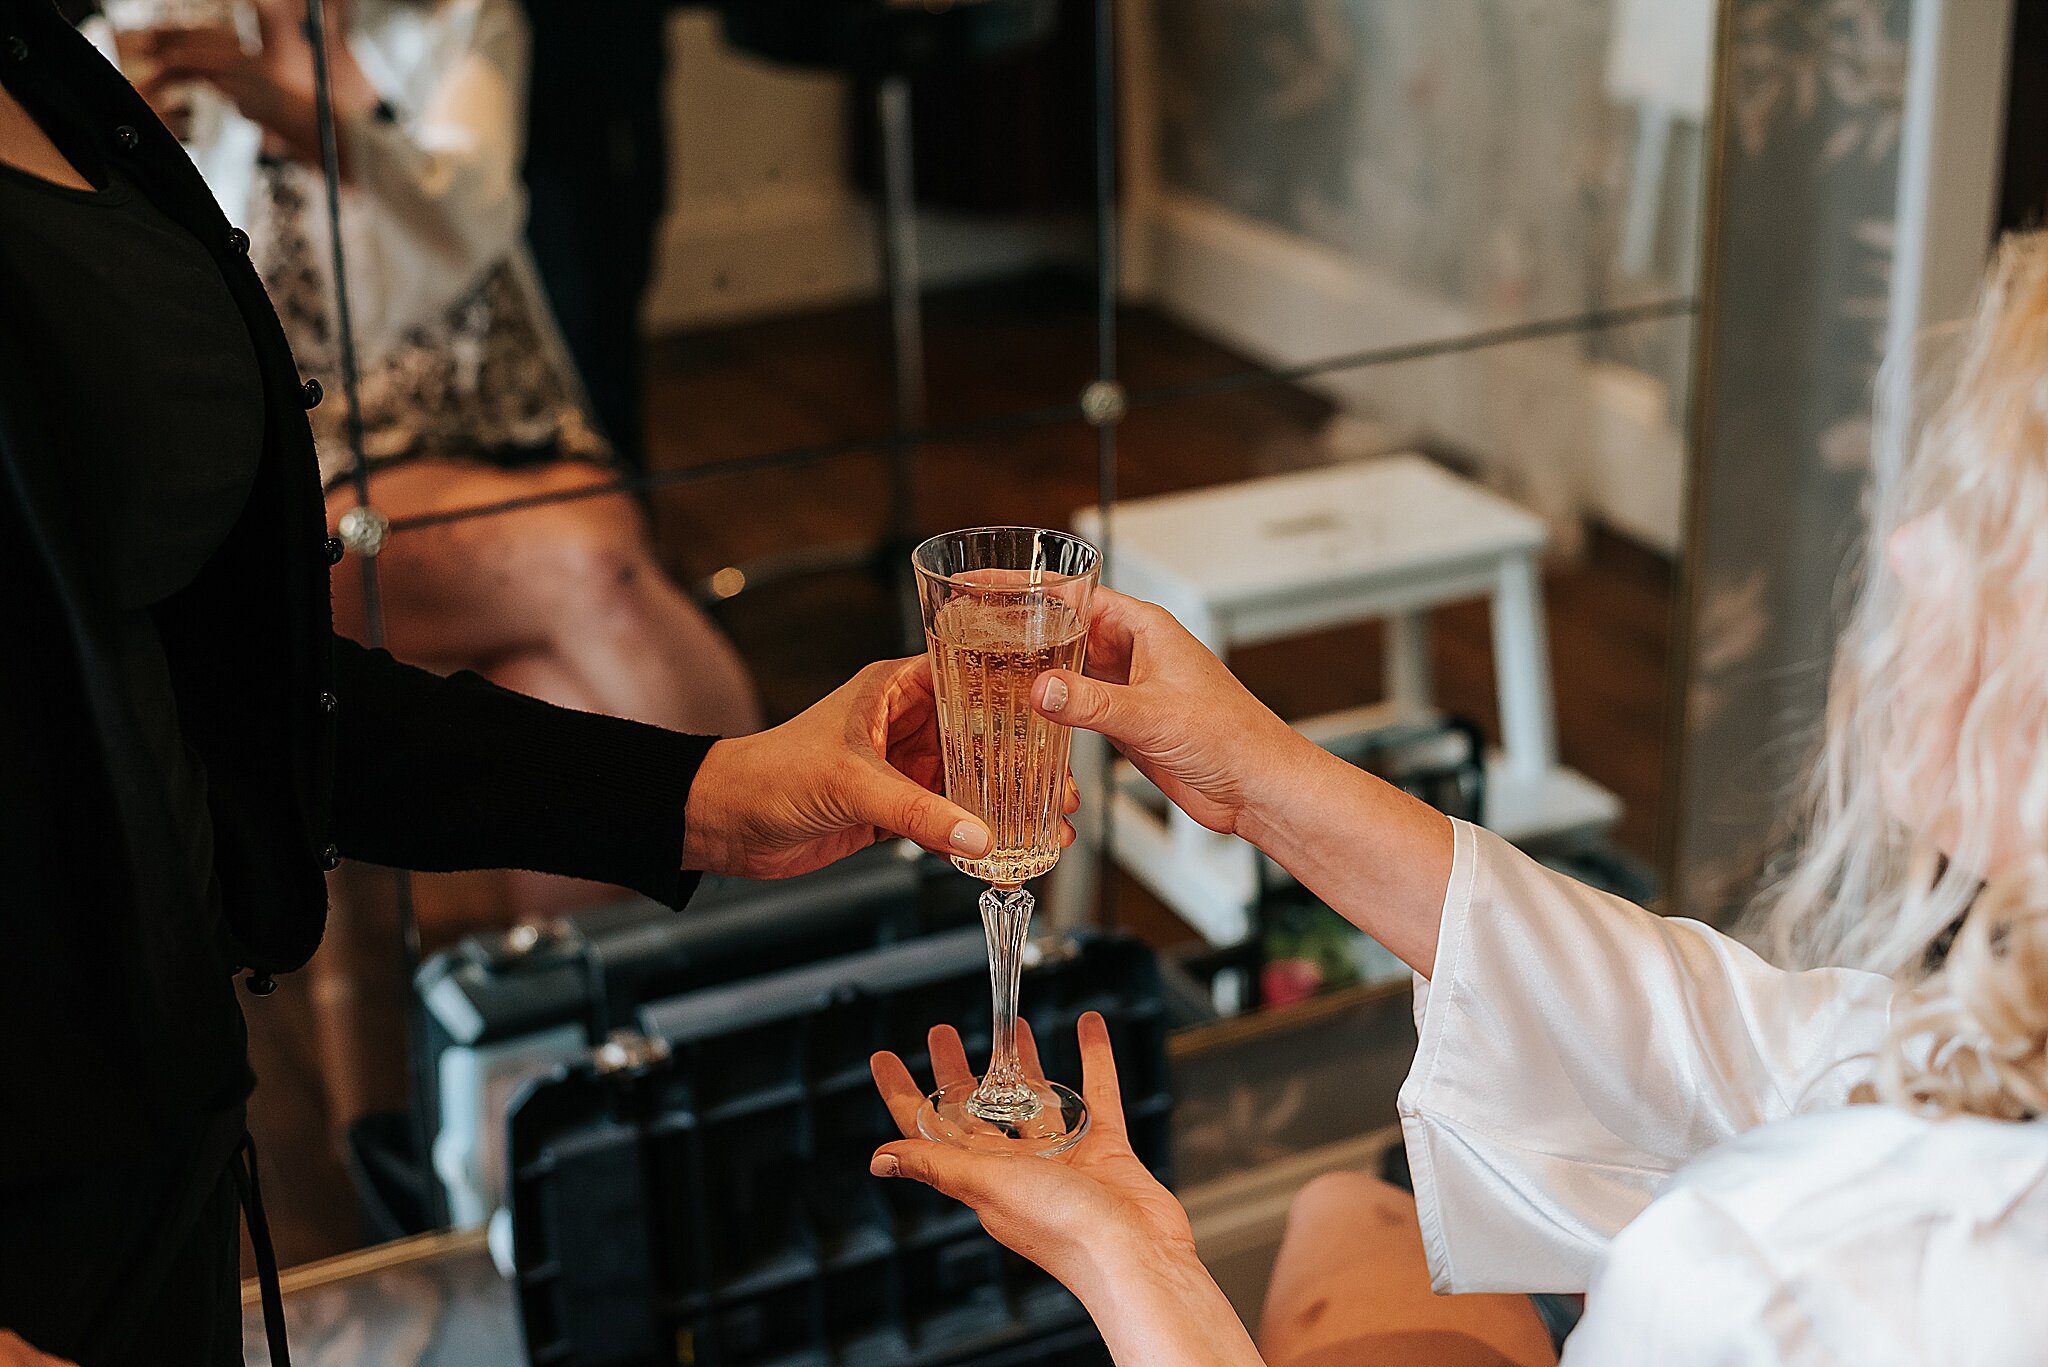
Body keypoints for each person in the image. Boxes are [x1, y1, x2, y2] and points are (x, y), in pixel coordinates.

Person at [0, 3, 995, 1362]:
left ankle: (568, 1129)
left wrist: (714, 790)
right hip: (48, 1183)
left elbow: (234, 684)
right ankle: (612, 1116)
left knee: (601, 617)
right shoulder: (128, 39)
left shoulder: (49, 66)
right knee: (593, 582)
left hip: (157, 1138)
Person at [870, 236, 2048, 1364]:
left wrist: (1134, 1257)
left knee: (1344, 1210)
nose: (1903, 547)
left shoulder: (1763, 1281)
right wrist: (1263, 776)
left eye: (1985, 515)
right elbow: (1738, 1042)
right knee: (1353, 1206)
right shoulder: (1980, 1072)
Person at [106, 0, 760, 820]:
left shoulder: (462, 23)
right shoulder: (137, 51)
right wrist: (114, 159)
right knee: (592, 560)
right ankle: (780, 882)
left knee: (553, 680)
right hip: (310, 481)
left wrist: (291, 111)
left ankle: (607, 940)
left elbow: (469, 220)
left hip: (505, 431)